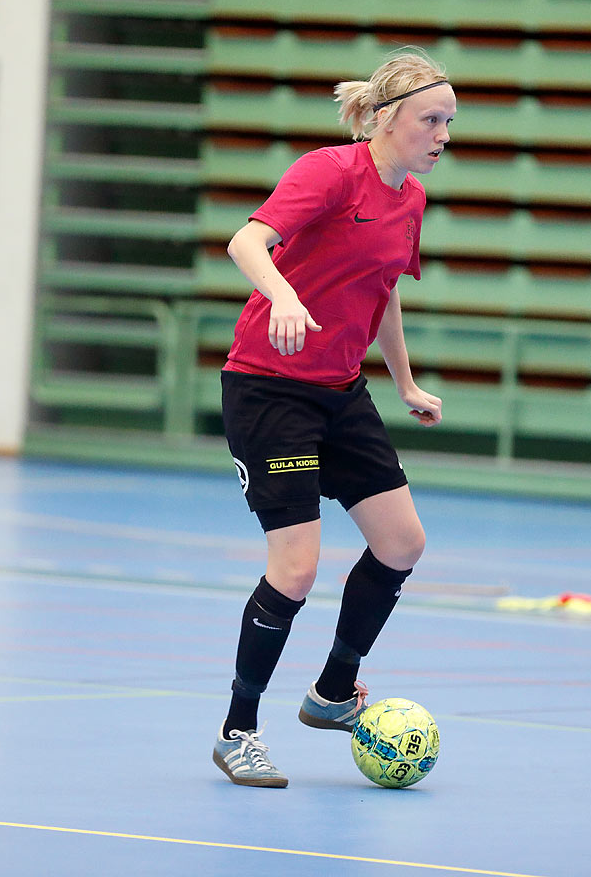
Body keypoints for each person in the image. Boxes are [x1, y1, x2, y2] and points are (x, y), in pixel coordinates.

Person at [211, 49, 455, 787]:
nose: (442, 135)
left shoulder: (408, 198)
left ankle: (329, 693)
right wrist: (283, 295)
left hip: (340, 390)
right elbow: (246, 241)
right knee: (296, 569)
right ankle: (238, 731)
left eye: (449, 123)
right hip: (269, 389)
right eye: (430, 120)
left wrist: (405, 380)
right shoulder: (328, 171)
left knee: (402, 543)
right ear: (386, 119)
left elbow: (383, 292)